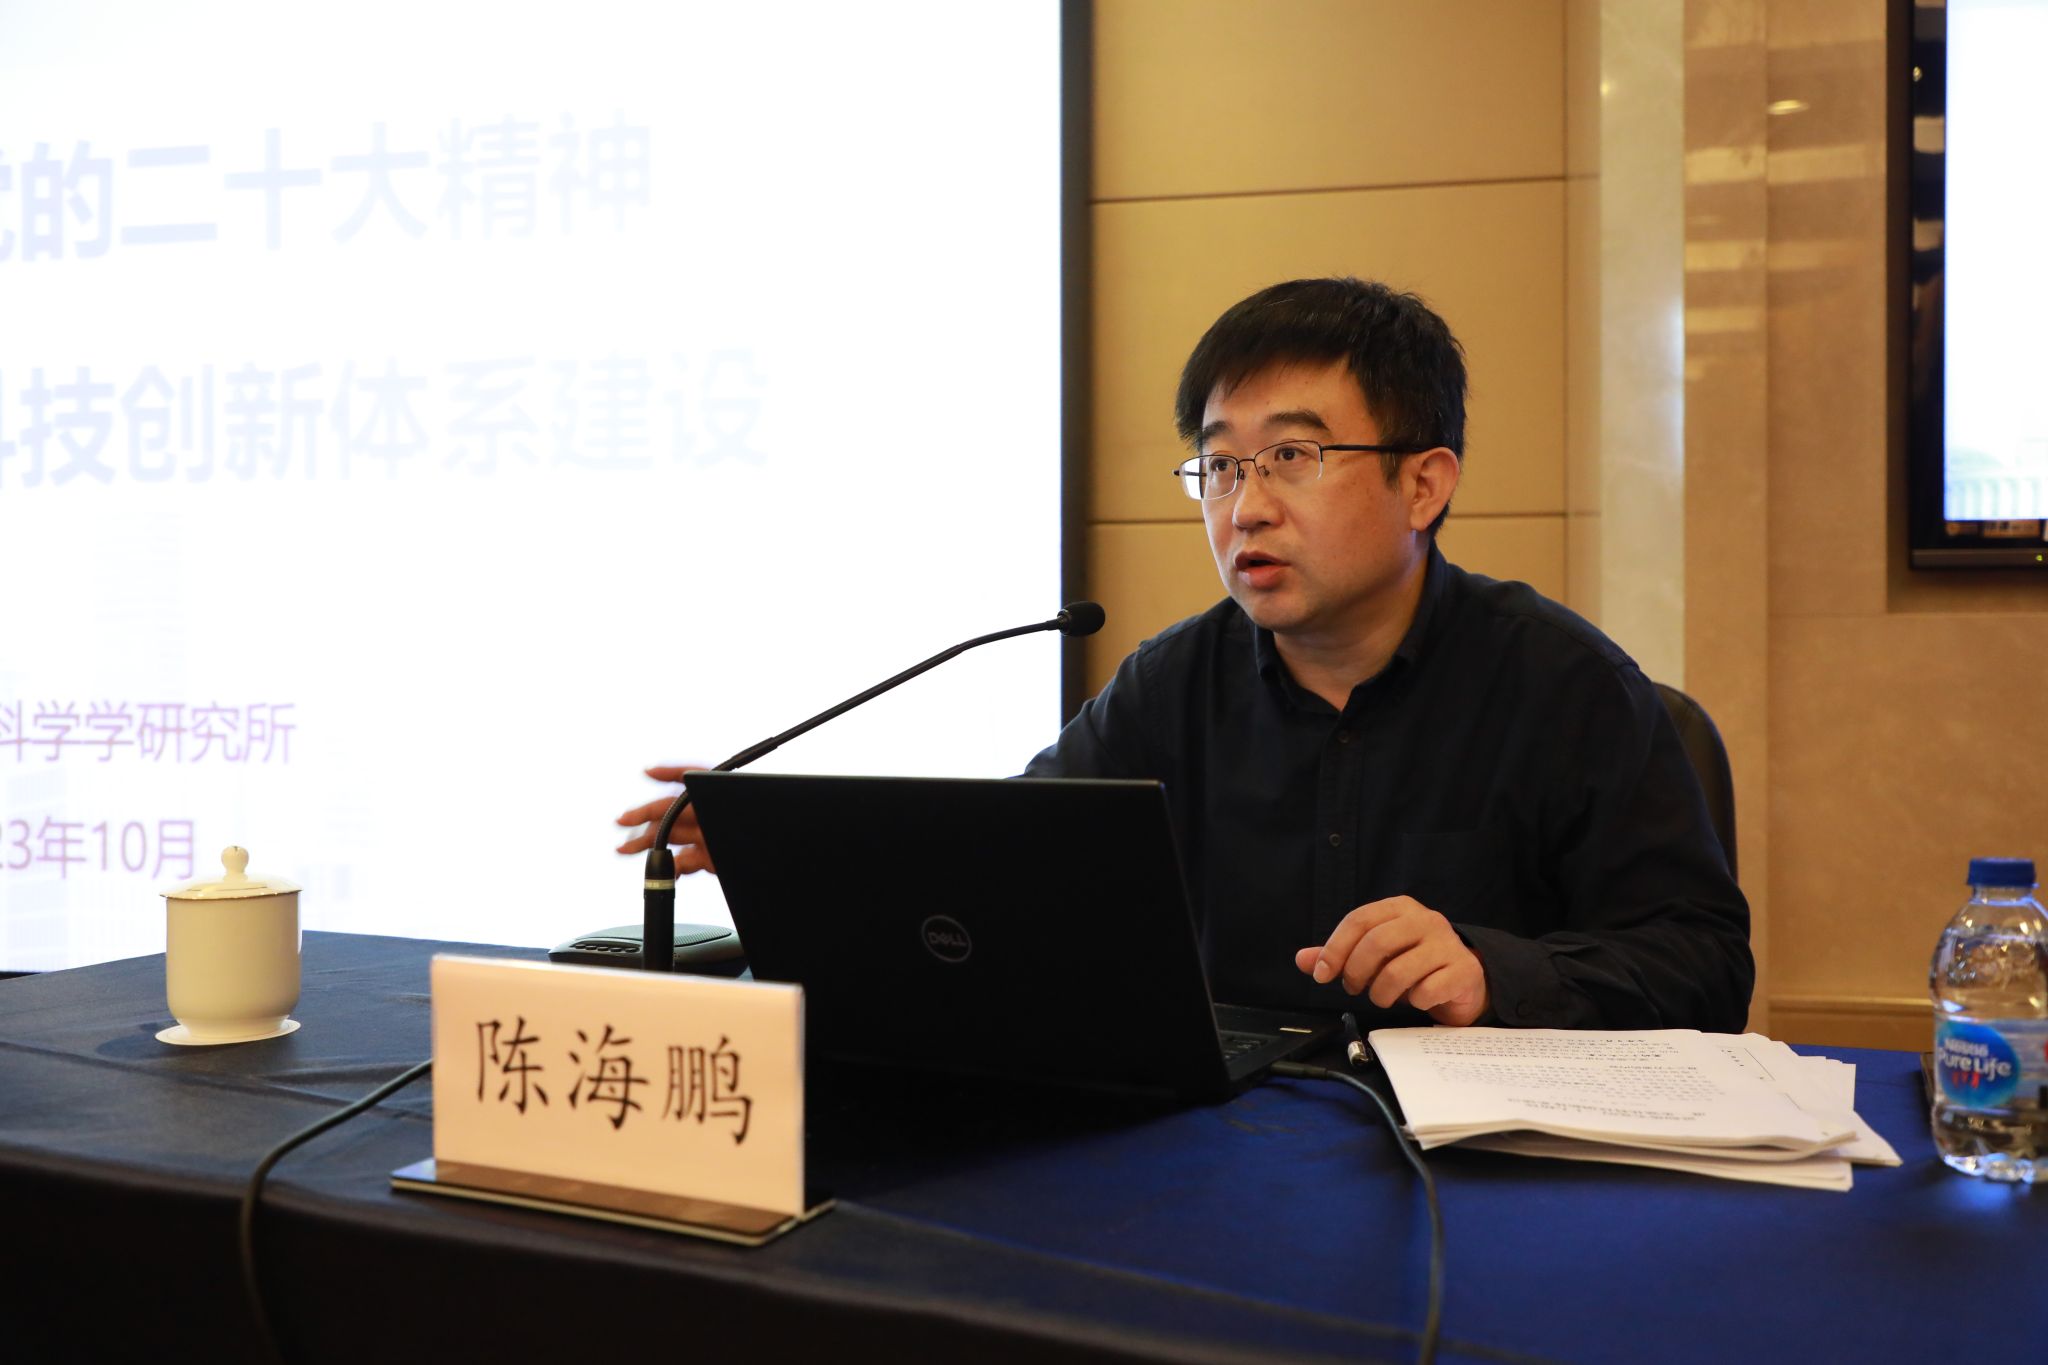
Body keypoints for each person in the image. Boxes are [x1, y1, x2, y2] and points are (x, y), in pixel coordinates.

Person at [618, 276, 1754, 1033]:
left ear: (1424, 483)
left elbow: (1703, 962)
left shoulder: (1565, 687)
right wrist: (797, 849)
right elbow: (1003, 873)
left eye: (1292, 457)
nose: (1243, 506)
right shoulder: (1170, 685)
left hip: (1478, 1179)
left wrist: (1492, 970)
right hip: (1224, 1149)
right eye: (1218, 466)